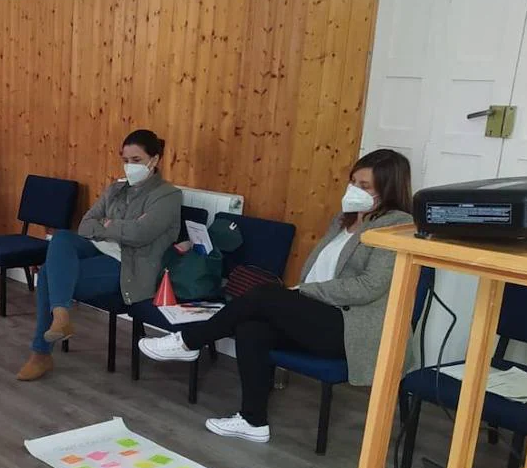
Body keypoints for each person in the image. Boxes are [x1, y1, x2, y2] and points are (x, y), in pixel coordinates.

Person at [138, 148, 414, 443]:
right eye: (353, 182)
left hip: (352, 328)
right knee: (251, 327)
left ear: (389, 188)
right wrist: (304, 295)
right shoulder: (343, 219)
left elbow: (369, 286)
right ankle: (253, 421)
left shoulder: (396, 226)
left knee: (265, 295)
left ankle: (189, 340)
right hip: (317, 312)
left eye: (365, 186)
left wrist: (305, 291)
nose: (355, 191)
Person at [16, 130, 182, 381]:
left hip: (130, 264)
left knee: (51, 274)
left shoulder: (167, 196)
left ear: (154, 160)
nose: (129, 166)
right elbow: (85, 225)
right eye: (125, 160)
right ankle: (60, 316)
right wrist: (116, 226)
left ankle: (43, 351)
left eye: (136, 160)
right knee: (61, 237)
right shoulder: (116, 188)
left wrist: (107, 224)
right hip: (99, 247)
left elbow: (140, 234)